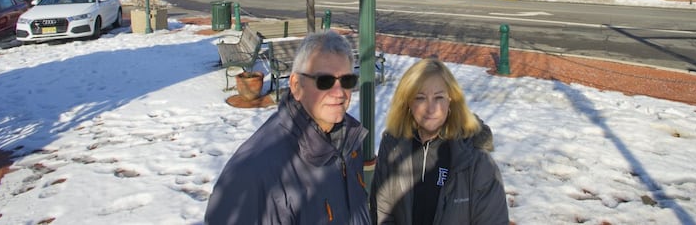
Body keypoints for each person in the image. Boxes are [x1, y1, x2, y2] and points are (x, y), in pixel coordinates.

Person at [204, 30, 371, 224]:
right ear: (296, 85)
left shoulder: (348, 143)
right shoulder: (256, 174)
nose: (339, 92)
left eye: (347, 80)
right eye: (324, 81)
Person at [370, 58, 509, 225]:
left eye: (439, 97)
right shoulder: (393, 146)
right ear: (407, 102)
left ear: (451, 99)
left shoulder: (476, 159)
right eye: (420, 98)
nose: (431, 108)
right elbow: (382, 212)